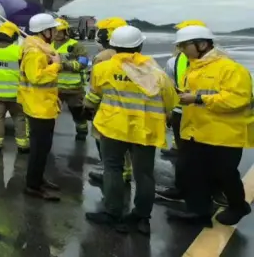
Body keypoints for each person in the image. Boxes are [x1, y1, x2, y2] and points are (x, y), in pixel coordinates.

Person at [84, 26, 178, 235]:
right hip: (146, 130)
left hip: (113, 127)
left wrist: (87, 109)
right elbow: (171, 101)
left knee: (113, 169)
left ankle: (113, 213)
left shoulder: (103, 69)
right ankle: (142, 217)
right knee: (144, 174)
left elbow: (94, 96)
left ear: (114, 46)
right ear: (140, 46)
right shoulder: (156, 72)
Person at [166, 25, 254, 227]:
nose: (180, 49)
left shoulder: (231, 69)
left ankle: (238, 206)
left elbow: (237, 100)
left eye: (184, 45)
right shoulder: (194, 68)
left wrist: (198, 99)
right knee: (193, 174)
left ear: (202, 44)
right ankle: (198, 212)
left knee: (225, 175)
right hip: (196, 132)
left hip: (224, 134)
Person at [19, 13, 68, 201]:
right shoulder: (34, 52)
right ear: (44, 31)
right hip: (37, 106)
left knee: (44, 147)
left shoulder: (40, 48)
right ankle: (32, 186)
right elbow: (36, 77)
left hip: (44, 104)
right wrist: (55, 66)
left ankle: (38, 179)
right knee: (39, 148)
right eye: (53, 29)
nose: (55, 32)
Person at [87, 17, 134, 186]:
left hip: (106, 108)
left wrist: (88, 106)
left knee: (106, 144)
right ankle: (126, 171)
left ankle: (112, 174)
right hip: (129, 108)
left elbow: (95, 88)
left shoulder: (103, 57)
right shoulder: (136, 57)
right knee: (124, 142)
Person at [0, 21, 29, 152]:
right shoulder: (18, 51)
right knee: (20, 118)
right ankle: (23, 145)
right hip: (16, 94)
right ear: (13, 36)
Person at [52, 18, 90, 141]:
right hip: (54, 88)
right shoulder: (48, 45)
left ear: (66, 31)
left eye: (60, 31)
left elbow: (83, 63)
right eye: (55, 31)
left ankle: (82, 131)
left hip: (74, 88)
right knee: (50, 114)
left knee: (78, 112)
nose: (57, 34)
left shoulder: (76, 46)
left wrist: (64, 65)